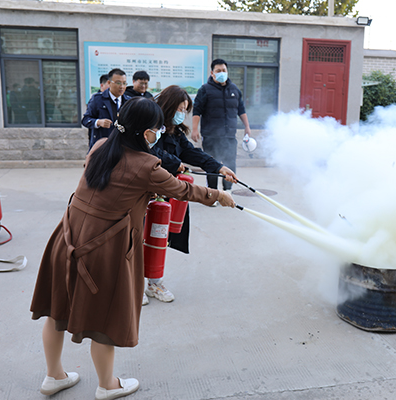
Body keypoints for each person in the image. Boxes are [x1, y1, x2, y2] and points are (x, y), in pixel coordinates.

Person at [30, 97, 235, 399]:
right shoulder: (146, 166)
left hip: (67, 236)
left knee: (56, 309)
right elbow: (184, 190)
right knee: (104, 320)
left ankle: (53, 376)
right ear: (145, 132)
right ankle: (107, 385)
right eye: (157, 129)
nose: (160, 134)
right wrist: (218, 195)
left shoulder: (100, 147)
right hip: (103, 247)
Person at [144, 85, 237, 304]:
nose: (182, 114)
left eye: (185, 110)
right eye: (180, 108)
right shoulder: (151, 126)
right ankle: (135, 284)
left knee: (160, 237)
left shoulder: (176, 131)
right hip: (145, 193)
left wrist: (218, 167)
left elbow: (191, 152)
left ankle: (154, 283)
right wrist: (175, 163)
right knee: (140, 239)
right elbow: (150, 151)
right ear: (168, 106)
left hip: (166, 192)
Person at [192, 58, 252, 191]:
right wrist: (195, 129)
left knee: (230, 164)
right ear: (212, 73)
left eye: (224, 70)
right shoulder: (205, 90)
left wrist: (247, 126)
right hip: (211, 136)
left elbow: (241, 110)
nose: (222, 73)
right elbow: (197, 110)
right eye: (218, 70)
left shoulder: (234, 89)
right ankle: (213, 193)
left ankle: (227, 191)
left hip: (229, 136)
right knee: (211, 164)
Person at [82, 68, 130, 149]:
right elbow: (85, 120)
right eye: (118, 83)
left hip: (123, 146)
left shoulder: (129, 101)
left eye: (124, 83)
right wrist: (98, 122)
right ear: (109, 83)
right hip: (102, 146)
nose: (122, 86)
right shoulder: (97, 99)